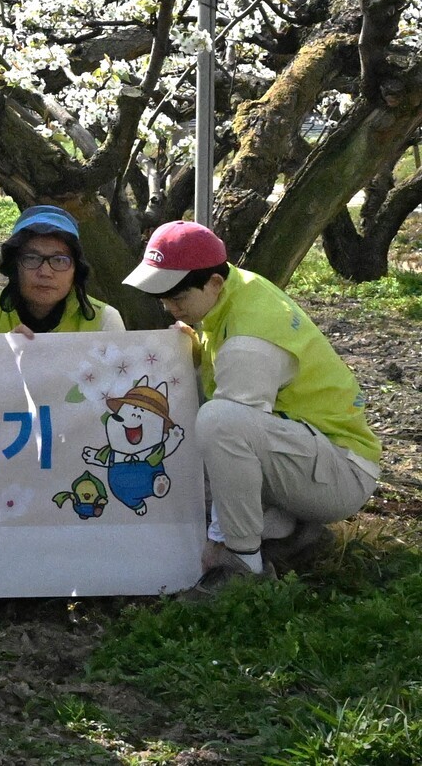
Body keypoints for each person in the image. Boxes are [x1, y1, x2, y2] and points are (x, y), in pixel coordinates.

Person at [123, 222, 379, 589]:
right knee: (212, 433)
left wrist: (218, 539)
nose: (168, 308)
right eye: (162, 299)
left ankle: (241, 563)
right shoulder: (237, 289)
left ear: (213, 283)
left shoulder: (249, 339)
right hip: (310, 456)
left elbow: (229, 429)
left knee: (219, 422)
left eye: (177, 298)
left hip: (339, 474)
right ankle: (289, 532)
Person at [0, 205, 124, 335]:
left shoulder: (104, 321)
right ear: (14, 266)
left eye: (59, 260)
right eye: (32, 258)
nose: (45, 272)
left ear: (76, 269)